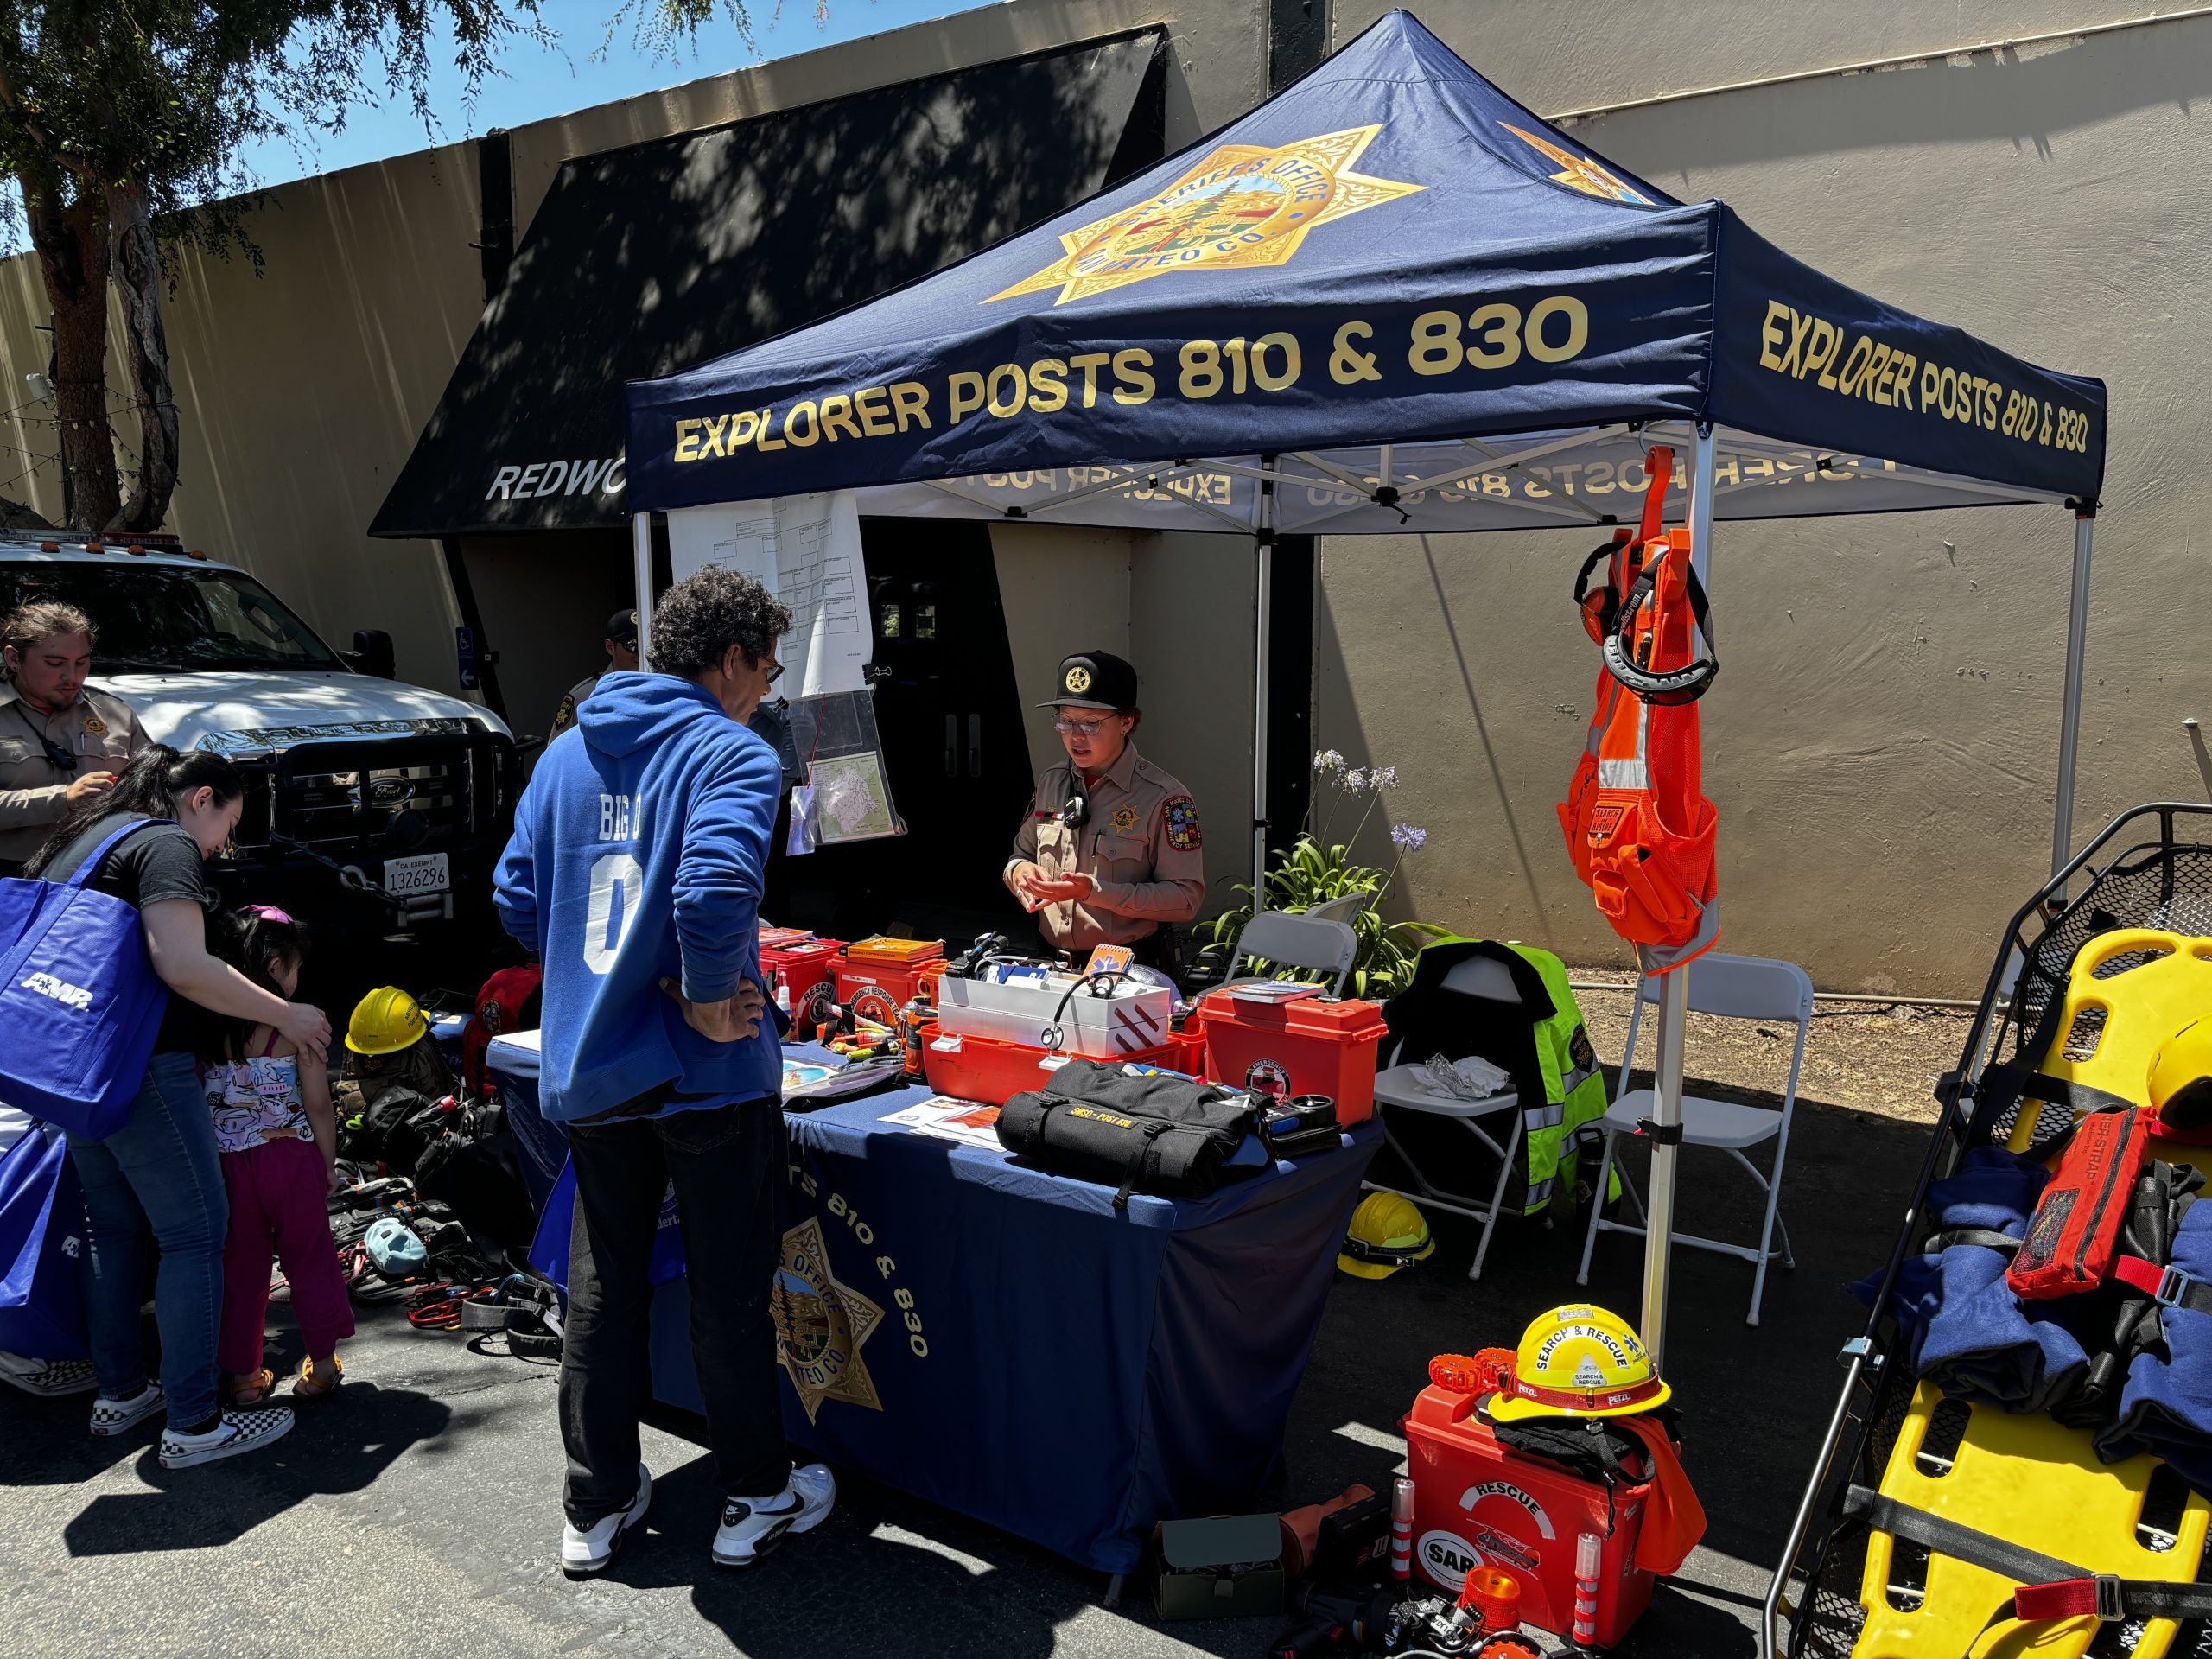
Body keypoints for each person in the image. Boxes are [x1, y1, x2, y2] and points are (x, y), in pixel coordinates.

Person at [495, 566, 834, 1578]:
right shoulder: (731, 751)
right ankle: (753, 1494)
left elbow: (519, 899)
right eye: (765, 671)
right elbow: (717, 886)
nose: (764, 692)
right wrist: (694, 993)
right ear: (729, 659)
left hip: (596, 1068)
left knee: (603, 1290)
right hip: (706, 1077)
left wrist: (602, 973)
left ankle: (594, 1502)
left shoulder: (563, 752)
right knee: (728, 1294)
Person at [25, 745, 329, 1468]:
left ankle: (122, 1391)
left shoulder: (86, 836)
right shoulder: (165, 845)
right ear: (201, 800)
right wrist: (284, 1017)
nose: (225, 844)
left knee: (114, 1226)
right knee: (196, 1230)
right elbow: (182, 964)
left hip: (71, 1064)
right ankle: (195, 1425)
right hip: (139, 1063)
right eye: (229, 823)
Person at [200, 906, 354, 1404]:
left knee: (242, 1267)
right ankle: (324, 1367)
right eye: (294, 965)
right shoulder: (295, 1028)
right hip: (290, 1160)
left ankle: (245, 1377)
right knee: (310, 1259)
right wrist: (327, 1165)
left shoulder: (206, 1027)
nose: (298, 975)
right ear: (273, 969)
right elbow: (319, 1107)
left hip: (231, 1166)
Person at [1004, 650, 1206, 972]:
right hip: (1047, 965)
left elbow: (1185, 899)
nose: (1076, 736)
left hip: (1124, 972)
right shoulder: (1051, 782)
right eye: (1066, 721)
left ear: (1127, 721)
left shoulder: (1165, 799)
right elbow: (1021, 854)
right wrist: (1020, 875)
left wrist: (1093, 892)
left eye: (1091, 724)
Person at [0, 600, 147, 874]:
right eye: (55, 663)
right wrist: (64, 799)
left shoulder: (115, 713)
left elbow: (155, 786)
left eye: (82, 662)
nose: (72, 676)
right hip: (11, 877)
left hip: (103, 871)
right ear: (14, 658)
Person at [549, 607, 640, 741]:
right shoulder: (583, 696)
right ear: (610, 647)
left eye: (648, 643)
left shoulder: (664, 686)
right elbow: (558, 752)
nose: (641, 651)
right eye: (632, 645)